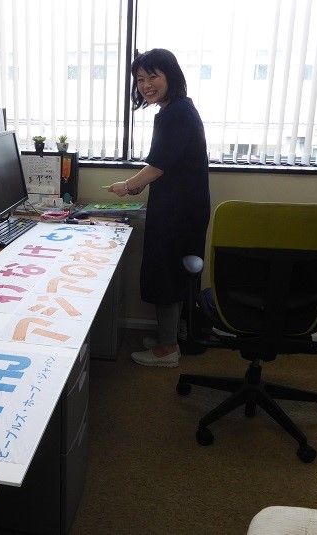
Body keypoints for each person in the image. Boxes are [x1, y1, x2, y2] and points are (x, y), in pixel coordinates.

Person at [108, 48, 210, 367]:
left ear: (171, 76)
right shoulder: (175, 110)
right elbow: (163, 164)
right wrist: (138, 184)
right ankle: (169, 337)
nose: (146, 85)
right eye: (140, 79)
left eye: (153, 76)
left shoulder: (177, 113)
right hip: (179, 205)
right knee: (169, 271)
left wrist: (129, 185)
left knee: (165, 272)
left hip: (179, 212)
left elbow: (158, 166)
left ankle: (168, 349)